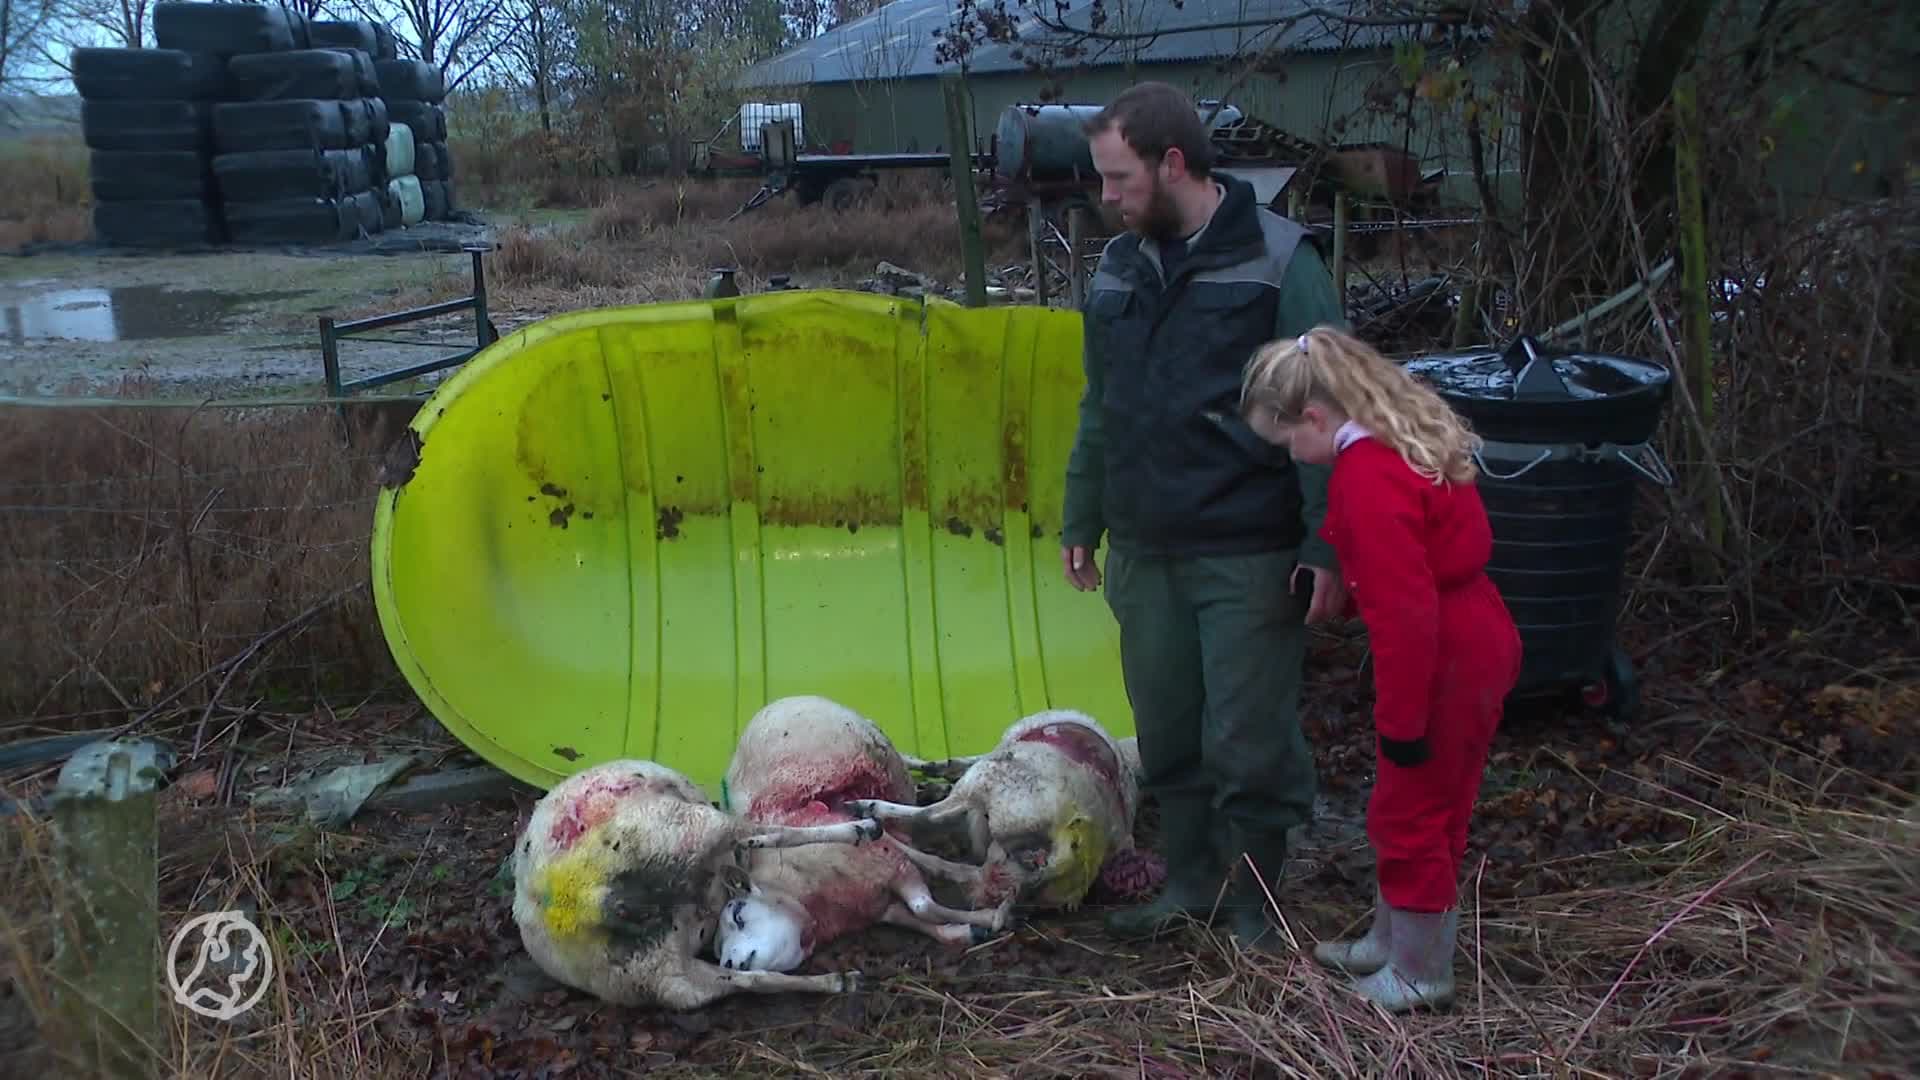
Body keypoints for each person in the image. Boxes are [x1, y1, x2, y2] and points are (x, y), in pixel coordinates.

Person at [1061, 80, 1350, 952]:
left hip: (1247, 549)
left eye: (1118, 179)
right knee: (1170, 735)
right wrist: (1082, 514)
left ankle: (1257, 904)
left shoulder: (1279, 260)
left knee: (1249, 741)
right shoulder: (1117, 269)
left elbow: (1332, 409)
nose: (1105, 198)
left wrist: (1326, 540)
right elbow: (1100, 405)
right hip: (1146, 549)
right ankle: (1188, 884)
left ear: (1173, 163)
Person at [1236, 324, 1523, 1012]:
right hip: (1476, 633)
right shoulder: (1392, 443)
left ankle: (1421, 971)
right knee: (1424, 803)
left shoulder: (1369, 475)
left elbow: (1405, 617)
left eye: (1288, 445)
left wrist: (1400, 721)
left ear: (1314, 417)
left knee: (1412, 810)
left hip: (1448, 652)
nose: (1294, 457)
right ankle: (1393, 939)